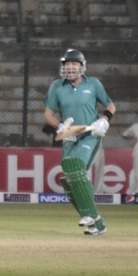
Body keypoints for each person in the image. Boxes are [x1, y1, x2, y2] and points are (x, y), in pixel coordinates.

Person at [43, 49, 115, 235]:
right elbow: (48, 114)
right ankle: (96, 222)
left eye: (74, 64)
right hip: (69, 137)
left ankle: (89, 216)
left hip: (90, 135)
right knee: (69, 181)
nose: (70, 67)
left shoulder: (94, 84)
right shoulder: (57, 87)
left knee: (76, 168)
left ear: (82, 66)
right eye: (67, 64)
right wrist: (60, 127)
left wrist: (104, 120)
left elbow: (110, 106)